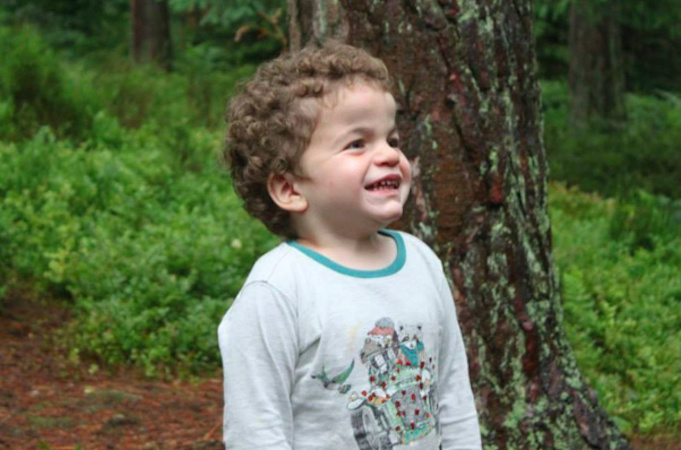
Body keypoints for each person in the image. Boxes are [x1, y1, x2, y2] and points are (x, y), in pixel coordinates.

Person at [218, 42, 481, 450]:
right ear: (289, 188)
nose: (389, 155)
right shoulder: (278, 290)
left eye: (391, 139)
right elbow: (256, 432)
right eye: (357, 143)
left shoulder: (421, 263)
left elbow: (453, 395)